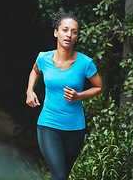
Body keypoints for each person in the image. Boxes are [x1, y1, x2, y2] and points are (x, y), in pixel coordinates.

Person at [26, 11, 102, 180]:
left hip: (75, 129)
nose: (69, 34)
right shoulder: (43, 58)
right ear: (56, 32)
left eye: (74, 32)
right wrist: (30, 90)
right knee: (59, 176)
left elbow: (98, 87)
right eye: (65, 30)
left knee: (62, 176)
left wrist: (79, 96)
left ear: (77, 37)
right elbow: (35, 71)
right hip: (48, 125)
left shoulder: (85, 63)